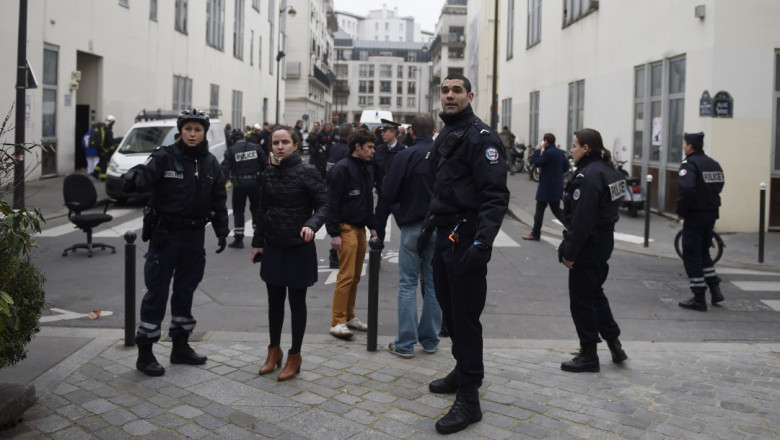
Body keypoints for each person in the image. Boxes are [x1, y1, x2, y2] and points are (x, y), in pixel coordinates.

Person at [419, 73, 509, 435]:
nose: (450, 95)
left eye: (457, 90)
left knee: (466, 316)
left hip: (466, 235)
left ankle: (470, 399)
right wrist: (429, 228)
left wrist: (483, 243)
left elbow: (494, 196)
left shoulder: (481, 137)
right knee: (449, 313)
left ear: (470, 95)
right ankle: (462, 369)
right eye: (445, 90)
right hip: (445, 232)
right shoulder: (448, 134)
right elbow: (443, 186)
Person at [121, 108, 229, 377]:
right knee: (156, 293)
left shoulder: (210, 164)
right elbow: (144, 176)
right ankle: (145, 353)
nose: (192, 134)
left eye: (198, 130)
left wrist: (222, 231)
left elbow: (218, 201)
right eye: (188, 129)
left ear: (204, 133)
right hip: (165, 235)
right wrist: (134, 178)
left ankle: (180, 347)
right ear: (181, 131)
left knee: (185, 291)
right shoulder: (164, 157)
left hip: (194, 236)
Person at [250, 126, 329, 381]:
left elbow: (324, 204)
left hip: (298, 246)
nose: (280, 147)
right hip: (273, 245)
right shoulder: (269, 173)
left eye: (285, 142)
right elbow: (263, 210)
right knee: (274, 303)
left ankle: (295, 355)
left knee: (296, 303)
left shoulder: (308, 171)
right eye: (275, 143)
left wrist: (312, 225)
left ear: (295, 145)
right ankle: (274, 351)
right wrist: (258, 242)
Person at [557, 128, 628, 374]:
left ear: (586, 148)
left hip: (589, 243)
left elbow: (582, 220)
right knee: (595, 294)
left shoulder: (589, 175)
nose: (571, 149)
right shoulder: (612, 172)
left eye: (575, 145)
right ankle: (614, 344)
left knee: (582, 300)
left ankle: (589, 353)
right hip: (604, 241)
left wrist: (569, 252)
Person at [382, 113, 441, 358]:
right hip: (438, 224)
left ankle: (405, 343)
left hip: (413, 224)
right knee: (434, 284)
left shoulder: (405, 156)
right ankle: (430, 339)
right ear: (434, 131)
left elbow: (388, 192)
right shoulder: (443, 156)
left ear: (411, 132)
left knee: (407, 283)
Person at [325, 128, 377, 339]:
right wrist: (334, 233)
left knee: (355, 276)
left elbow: (367, 201)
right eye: (370, 147)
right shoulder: (342, 169)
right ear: (358, 147)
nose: (373, 151)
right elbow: (332, 203)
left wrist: (372, 226)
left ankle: (349, 316)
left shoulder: (366, 168)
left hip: (360, 229)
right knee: (346, 276)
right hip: (346, 228)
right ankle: (337, 321)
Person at [676, 132, 725, 311]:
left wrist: (682, 211)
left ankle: (698, 297)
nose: (683, 147)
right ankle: (715, 289)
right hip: (711, 213)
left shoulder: (689, 165)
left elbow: (686, 189)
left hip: (695, 215)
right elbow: (720, 184)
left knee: (691, 254)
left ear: (689, 146)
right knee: (703, 251)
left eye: (684, 144)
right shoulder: (713, 163)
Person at [222, 129, 266, 249]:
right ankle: (259, 237)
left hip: (239, 183)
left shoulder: (231, 150)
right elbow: (265, 164)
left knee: (238, 210)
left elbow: (225, 169)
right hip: (256, 182)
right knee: (257, 209)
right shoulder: (255, 147)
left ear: (232, 140)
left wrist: (219, 185)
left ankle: (239, 239)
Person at [522, 133, 569, 241]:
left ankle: (535, 233)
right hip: (557, 186)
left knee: (539, 211)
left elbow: (537, 163)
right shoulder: (560, 152)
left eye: (543, 141)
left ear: (547, 141)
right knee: (556, 210)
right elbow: (566, 167)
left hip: (546, 187)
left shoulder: (548, 153)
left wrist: (537, 151)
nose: (542, 143)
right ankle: (571, 228)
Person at [372, 119, 407, 248]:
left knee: (405, 228)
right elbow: (373, 172)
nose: (382, 134)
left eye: (385, 131)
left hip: (398, 198)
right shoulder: (379, 150)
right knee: (378, 227)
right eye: (382, 131)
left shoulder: (403, 151)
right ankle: (377, 253)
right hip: (383, 197)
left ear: (394, 133)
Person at [324, 123, 353, 269]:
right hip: (342, 192)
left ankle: (334, 255)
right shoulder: (348, 150)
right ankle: (336, 255)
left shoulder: (333, 148)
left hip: (329, 187)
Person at [90, 115, 117, 181]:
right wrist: (113, 147)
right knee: (104, 162)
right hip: (105, 149)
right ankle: (103, 177)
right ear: (110, 122)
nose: (113, 125)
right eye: (112, 123)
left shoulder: (101, 128)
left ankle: (95, 172)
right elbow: (110, 142)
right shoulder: (108, 130)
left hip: (99, 148)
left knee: (102, 161)